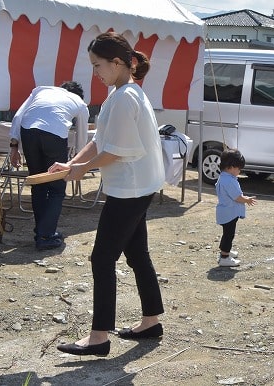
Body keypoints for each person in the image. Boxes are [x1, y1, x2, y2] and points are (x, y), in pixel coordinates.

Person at [52, 32, 166, 356]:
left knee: (102, 258)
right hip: (136, 187)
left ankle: (99, 336)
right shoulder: (124, 93)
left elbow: (116, 151)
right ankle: (151, 320)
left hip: (130, 189)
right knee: (137, 254)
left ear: (118, 63)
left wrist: (81, 169)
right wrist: (71, 163)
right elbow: (101, 139)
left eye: (98, 65)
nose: (95, 72)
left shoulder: (125, 96)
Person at [9, 82, 89, 250]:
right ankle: (46, 235)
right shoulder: (79, 102)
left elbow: (18, 117)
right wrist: (78, 159)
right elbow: (82, 133)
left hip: (28, 131)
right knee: (57, 188)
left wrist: (14, 147)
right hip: (54, 133)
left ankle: (42, 232)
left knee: (38, 185)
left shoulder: (40, 91)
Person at [216, 149, 257, 267]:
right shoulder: (228, 180)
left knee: (227, 234)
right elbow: (237, 197)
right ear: (231, 167)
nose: (239, 171)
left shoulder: (223, 177)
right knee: (229, 235)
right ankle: (224, 257)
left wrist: (244, 198)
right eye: (239, 169)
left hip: (226, 211)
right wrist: (247, 200)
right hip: (229, 212)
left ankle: (225, 252)